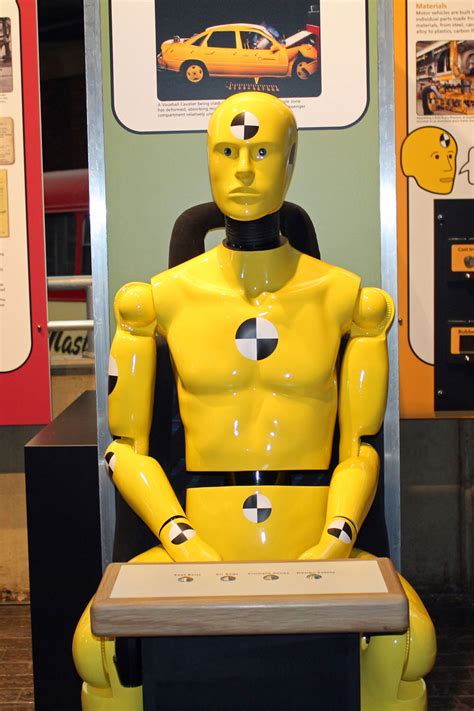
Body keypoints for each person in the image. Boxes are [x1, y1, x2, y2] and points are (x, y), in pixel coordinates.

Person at [74, 92, 436, 710]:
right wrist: (181, 538)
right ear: (208, 159)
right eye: (227, 151)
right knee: (98, 651)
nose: (243, 169)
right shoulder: (155, 301)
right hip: (196, 534)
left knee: (408, 644)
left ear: (291, 160)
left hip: (317, 532)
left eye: (262, 152)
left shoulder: (350, 301)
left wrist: (338, 538)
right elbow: (124, 450)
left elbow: (360, 448)